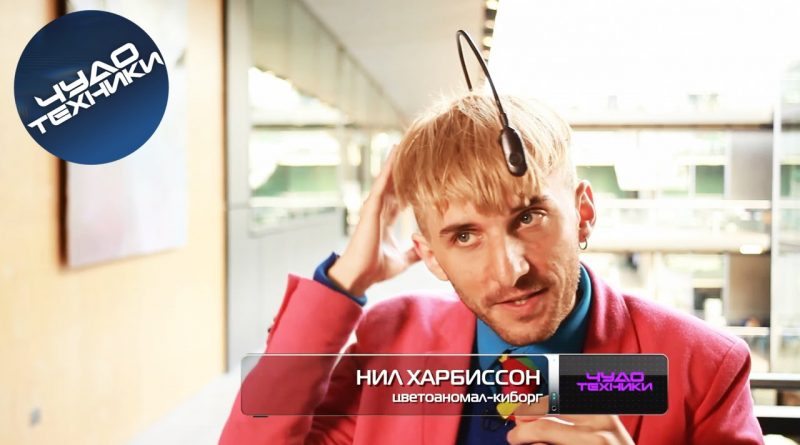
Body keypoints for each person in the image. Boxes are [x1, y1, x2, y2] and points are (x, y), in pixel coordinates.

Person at [220, 94, 763, 444]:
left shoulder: (702, 367)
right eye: (464, 235)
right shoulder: (393, 341)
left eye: (529, 217)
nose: (510, 271)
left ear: (584, 213)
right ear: (430, 255)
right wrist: (343, 282)